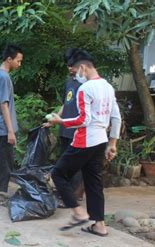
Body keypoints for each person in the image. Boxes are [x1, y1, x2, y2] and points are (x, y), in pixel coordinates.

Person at [46, 49, 121, 237]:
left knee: (58, 174)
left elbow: (83, 120)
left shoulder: (85, 88)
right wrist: (112, 144)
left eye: (76, 71)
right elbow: (116, 117)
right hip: (101, 140)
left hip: (85, 139)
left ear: (83, 68)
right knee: (94, 183)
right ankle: (100, 225)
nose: (76, 75)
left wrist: (60, 122)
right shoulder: (108, 87)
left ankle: (78, 213)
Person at [0, 44, 23, 204]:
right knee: (2, 163)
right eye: (18, 61)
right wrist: (10, 130)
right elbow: (4, 104)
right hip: (2, 128)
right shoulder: (4, 77)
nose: (19, 64)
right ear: (9, 59)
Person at [48, 48, 85, 201]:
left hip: (77, 131)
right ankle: (67, 191)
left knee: (76, 165)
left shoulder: (86, 84)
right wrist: (54, 119)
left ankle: (75, 194)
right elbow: (65, 104)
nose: (69, 68)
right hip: (65, 130)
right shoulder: (69, 81)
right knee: (65, 162)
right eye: (68, 65)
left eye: (72, 65)